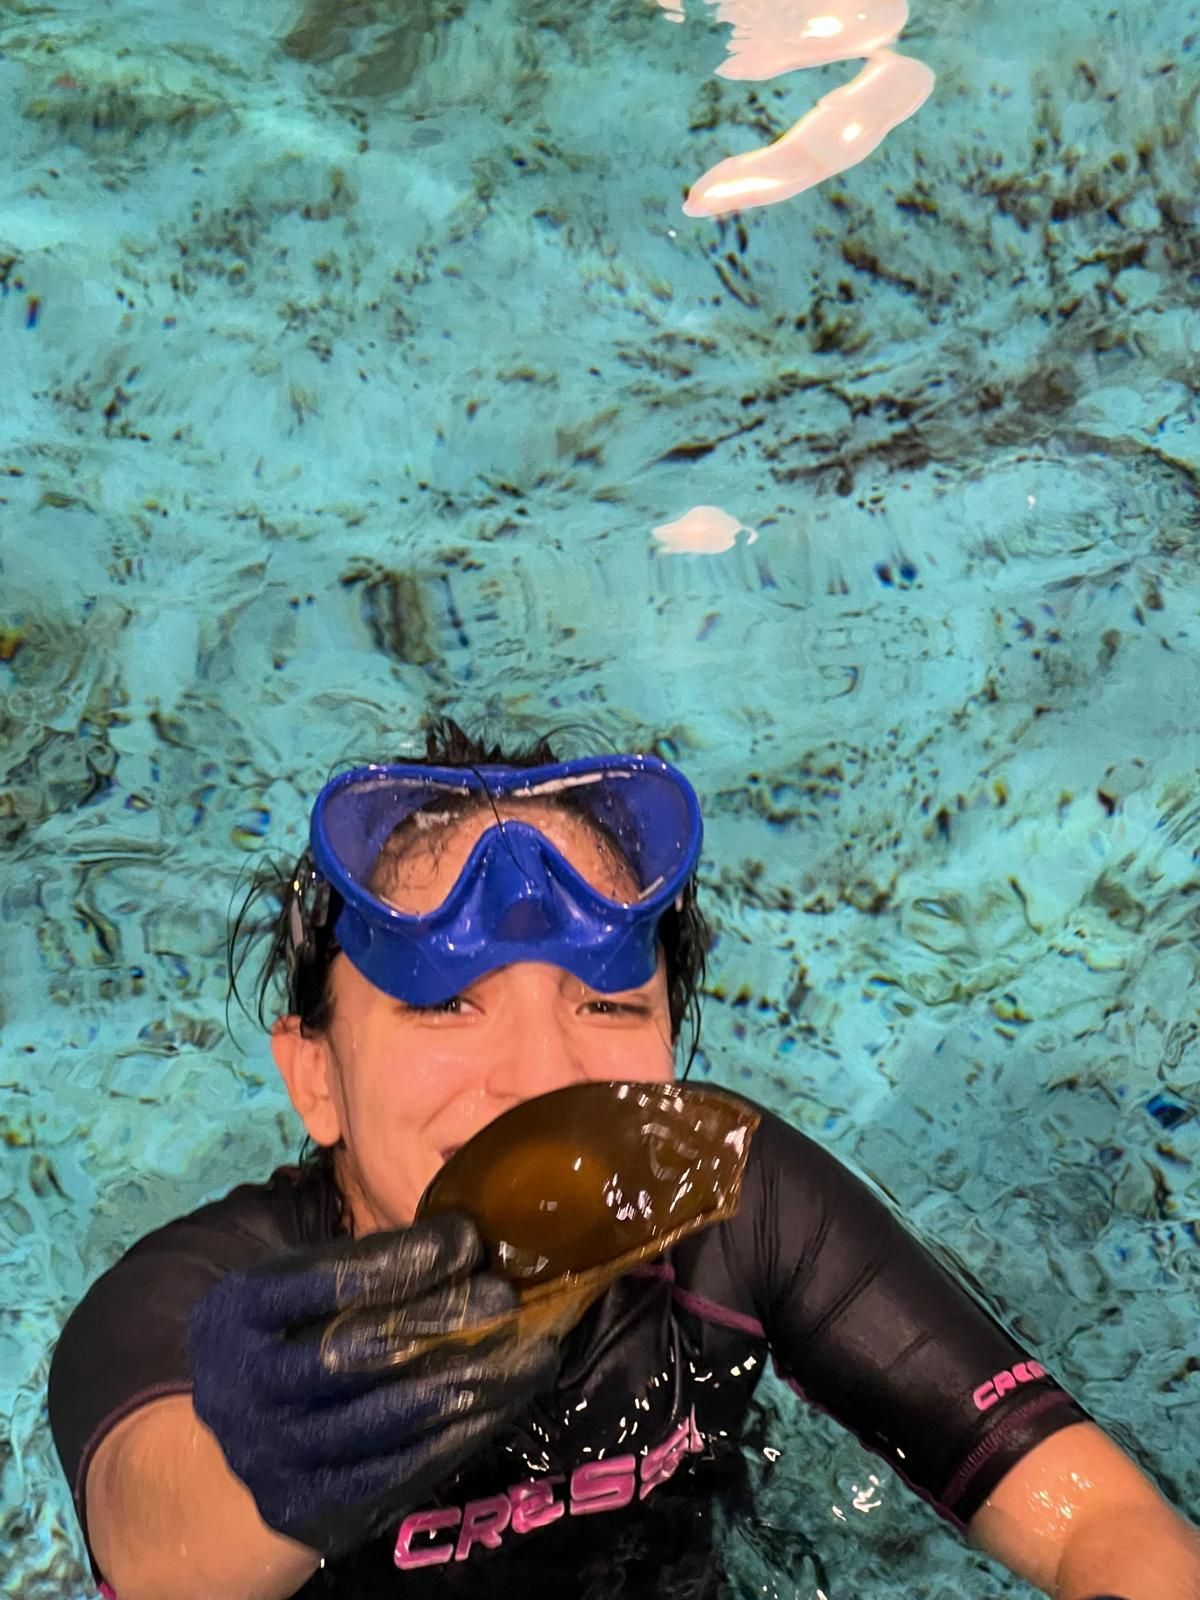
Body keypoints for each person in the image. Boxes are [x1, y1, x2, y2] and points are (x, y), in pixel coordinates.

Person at [48, 720, 1200, 1600]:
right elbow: (160, 1548)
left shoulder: (726, 1197)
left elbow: (1099, 1518)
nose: (545, 1077)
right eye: (447, 1005)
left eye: (605, 1001)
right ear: (316, 1079)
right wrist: (275, 1468)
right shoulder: (201, 1298)